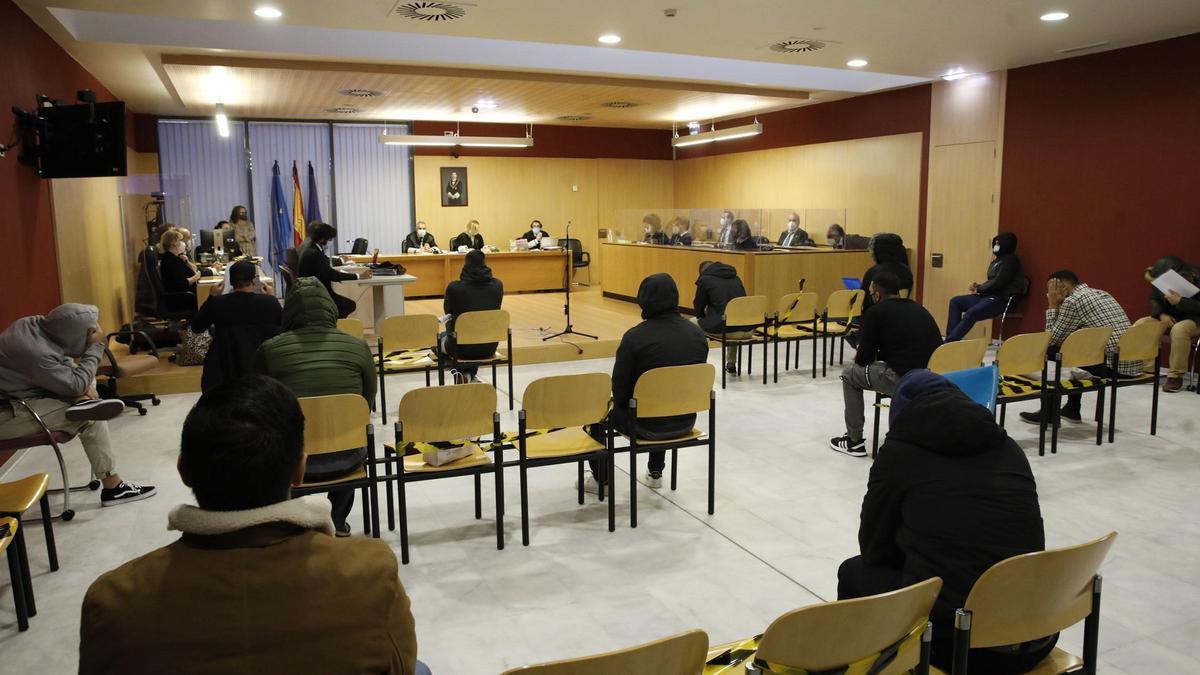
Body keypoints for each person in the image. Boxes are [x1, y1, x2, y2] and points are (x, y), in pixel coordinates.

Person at [78, 375, 423, 675]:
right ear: (299, 471)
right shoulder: (369, 572)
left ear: (183, 470)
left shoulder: (113, 599)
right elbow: (401, 667)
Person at [838, 370, 1053, 674]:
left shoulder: (899, 455)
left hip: (959, 646)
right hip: (1037, 631)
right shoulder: (1009, 447)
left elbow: (874, 550)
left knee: (854, 572)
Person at [0, 303, 156, 506]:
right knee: (90, 415)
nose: (96, 333)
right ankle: (114, 488)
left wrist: (79, 388)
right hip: (8, 413)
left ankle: (81, 400)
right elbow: (72, 379)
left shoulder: (35, 326)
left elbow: (66, 366)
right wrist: (97, 346)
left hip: (24, 395)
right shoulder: (38, 354)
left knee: (84, 382)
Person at [254, 278, 376, 536]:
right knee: (348, 431)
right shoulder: (359, 347)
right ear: (330, 307)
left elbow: (259, 404)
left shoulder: (270, 350)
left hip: (291, 461)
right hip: (349, 458)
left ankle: (292, 523)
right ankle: (338, 521)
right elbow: (367, 404)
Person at [584, 274, 709, 491]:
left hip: (641, 425)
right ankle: (656, 471)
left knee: (593, 414)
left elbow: (619, 388)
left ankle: (601, 479)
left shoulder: (635, 337)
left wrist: (622, 407)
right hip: (686, 420)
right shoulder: (697, 334)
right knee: (664, 398)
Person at [831, 271, 942, 457]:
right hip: (934, 377)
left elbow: (863, 359)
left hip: (905, 380)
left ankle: (854, 441)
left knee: (849, 374)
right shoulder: (918, 307)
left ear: (877, 295)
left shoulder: (876, 312)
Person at [1019, 270, 1140, 426]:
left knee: (1051, 352)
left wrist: (1053, 305)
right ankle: (1072, 408)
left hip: (1111, 367)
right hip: (1129, 364)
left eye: (1050, 289)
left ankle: (1048, 413)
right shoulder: (1101, 293)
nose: (1049, 294)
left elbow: (1051, 339)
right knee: (1075, 351)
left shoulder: (1073, 301)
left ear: (1061, 286)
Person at [189, 261, 282, 392]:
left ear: (230, 282)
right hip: (261, 368)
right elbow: (283, 327)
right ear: (254, 281)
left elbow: (196, 327)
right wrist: (272, 298)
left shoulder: (217, 303)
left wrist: (211, 297)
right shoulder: (268, 302)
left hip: (224, 368)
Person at [1137, 256, 1200, 392]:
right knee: (1142, 324)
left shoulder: (1197, 276)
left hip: (1195, 320)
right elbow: (1154, 299)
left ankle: (1175, 376)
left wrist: (1180, 301)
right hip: (1169, 317)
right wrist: (1161, 315)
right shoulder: (1160, 278)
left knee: (1179, 329)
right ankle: (1148, 371)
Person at [945, 233, 1023, 342]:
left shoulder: (1011, 261)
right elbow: (992, 281)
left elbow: (999, 282)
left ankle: (949, 342)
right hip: (986, 297)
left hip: (1000, 300)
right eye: (995, 243)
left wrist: (980, 288)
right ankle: (951, 340)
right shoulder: (997, 261)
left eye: (998, 244)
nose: (996, 246)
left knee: (972, 313)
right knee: (955, 302)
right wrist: (979, 287)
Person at [441, 249, 504, 383]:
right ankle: (469, 375)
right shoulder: (498, 285)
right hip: (490, 344)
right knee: (476, 335)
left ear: (466, 265)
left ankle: (461, 373)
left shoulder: (454, 287)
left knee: (438, 342)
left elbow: (448, 311)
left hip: (460, 347)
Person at [296, 221, 370, 319]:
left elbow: (323, 261)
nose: (329, 241)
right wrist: (359, 276)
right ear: (323, 239)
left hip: (308, 290)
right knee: (348, 305)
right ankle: (331, 327)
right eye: (329, 239)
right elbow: (331, 275)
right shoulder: (314, 253)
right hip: (317, 293)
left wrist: (339, 261)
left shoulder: (308, 247)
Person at [694, 260, 747, 374]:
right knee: (732, 320)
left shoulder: (705, 279)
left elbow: (698, 307)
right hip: (747, 328)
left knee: (690, 324)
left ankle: (697, 363)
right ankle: (731, 364)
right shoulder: (736, 278)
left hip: (726, 331)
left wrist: (703, 316)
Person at [860, 233, 913, 314]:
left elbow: (864, 303)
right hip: (901, 315)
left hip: (876, 317)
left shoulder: (872, 272)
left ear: (878, 251)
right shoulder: (907, 271)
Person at [158, 228, 200, 315]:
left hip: (182, 296)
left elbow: (193, 270)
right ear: (174, 243)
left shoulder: (175, 258)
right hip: (180, 299)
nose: (183, 243)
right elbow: (184, 283)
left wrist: (186, 261)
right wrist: (197, 276)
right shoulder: (172, 261)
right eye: (181, 240)